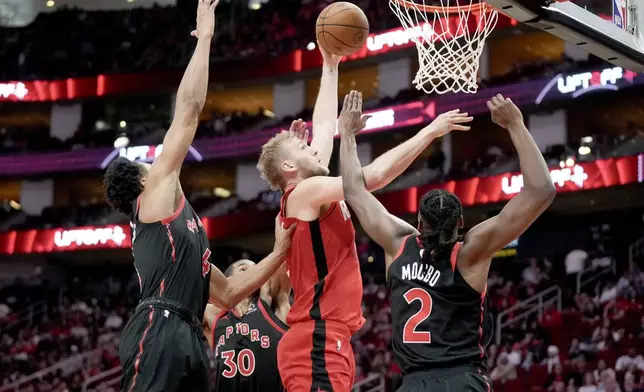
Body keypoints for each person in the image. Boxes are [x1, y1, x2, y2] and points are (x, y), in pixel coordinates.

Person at [103, 2, 294, 391]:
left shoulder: (180, 222)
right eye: (150, 166)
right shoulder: (154, 194)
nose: (159, 164)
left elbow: (228, 292)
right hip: (160, 327)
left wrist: (279, 252)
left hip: (188, 332)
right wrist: (204, 39)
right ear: (142, 181)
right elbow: (188, 112)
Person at [257, 86, 471, 391]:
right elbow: (374, 177)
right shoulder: (303, 193)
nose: (313, 148)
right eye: (304, 149)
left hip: (325, 337)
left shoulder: (310, 198)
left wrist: (331, 65)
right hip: (316, 337)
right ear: (289, 168)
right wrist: (430, 132)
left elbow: (323, 128)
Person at [338, 92, 556, 392]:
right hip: (461, 380)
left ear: (417, 224)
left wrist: (347, 134)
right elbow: (541, 190)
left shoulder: (398, 243)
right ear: (461, 224)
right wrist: (516, 124)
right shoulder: (469, 253)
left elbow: (353, 190)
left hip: (413, 384)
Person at [203, 259, 290, 391]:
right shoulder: (213, 314)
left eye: (256, 269)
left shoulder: (274, 303)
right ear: (228, 279)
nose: (253, 274)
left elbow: (284, 258)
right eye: (244, 269)